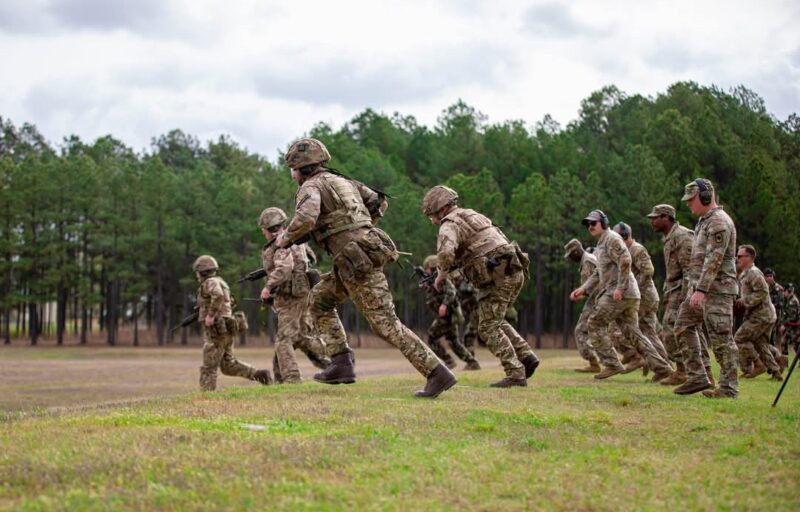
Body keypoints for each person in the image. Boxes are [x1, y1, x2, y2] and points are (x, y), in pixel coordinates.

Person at [276, 138, 456, 398]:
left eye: (292, 169)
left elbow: (306, 218)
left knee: (385, 323)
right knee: (319, 301)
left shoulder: (311, 186)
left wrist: (286, 238)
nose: (292, 175)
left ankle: (437, 373)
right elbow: (379, 202)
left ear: (301, 168)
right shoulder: (345, 181)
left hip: (355, 263)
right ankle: (340, 363)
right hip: (351, 260)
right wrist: (361, 228)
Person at [423, 185, 539, 388]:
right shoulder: (472, 215)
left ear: (440, 209)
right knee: (494, 319)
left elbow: (446, 254)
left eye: (431, 215)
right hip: (514, 268)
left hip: (497, 276)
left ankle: (515, 372)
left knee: (486, 327)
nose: (432, 221)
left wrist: (441, 275)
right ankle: (526, 356)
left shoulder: (448, 224)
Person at [570, 211, 674, 381]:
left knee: (595, 322)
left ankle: (611, 364)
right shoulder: (603, 242)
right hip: (627, 293)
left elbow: (625, 260)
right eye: (588, 224)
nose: (590, 227)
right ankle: (663, 368)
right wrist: (583, 288)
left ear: (603, 222)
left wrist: (620, 287)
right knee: (634, 334)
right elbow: (598, 273)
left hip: (619, 293)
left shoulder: (611, 238)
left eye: (593, 223)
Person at [672, 179, 740, 398]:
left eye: (692, 200)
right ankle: (698, 376)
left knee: (721, 339)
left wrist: (700, 289)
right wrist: (694, 288)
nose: (689, 205)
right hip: (700, 289)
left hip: (718, 290)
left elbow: (714, 259)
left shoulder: (719, 222)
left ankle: (728, 388)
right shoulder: (704, 221)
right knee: (682, 325)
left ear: (705, 197)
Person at [258, 207, 331, 384]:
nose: (263, 233)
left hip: (291, 298)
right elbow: (311, 259)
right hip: (301, 294)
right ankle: (330, 364)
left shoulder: (281, 244)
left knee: (284, 339)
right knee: (297, 337)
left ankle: (292, 379)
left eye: (263, 229)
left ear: (270, 228)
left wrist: (268, 286)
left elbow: (284, 267)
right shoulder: (296, 239)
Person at [647, 204, 714, 387]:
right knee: (689, 331)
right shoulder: (670, 238)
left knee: (672, 329)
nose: (652, 221)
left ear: (666, 218)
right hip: (674, 290)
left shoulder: (682, 236)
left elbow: (689, 270)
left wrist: (687, 296)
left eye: (655, 217)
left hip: (684, 291)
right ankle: (690, 371)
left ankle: (689, 371)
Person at [193, 255, 272, 391]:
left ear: (203, 271)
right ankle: (259, 375)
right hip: (226, 329)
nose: (196, 275)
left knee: (209, 367)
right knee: (228, 365)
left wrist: (210, 315)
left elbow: (217, 295)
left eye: (197, 272)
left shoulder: (209, 282)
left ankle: (206, 395)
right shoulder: (221, 281)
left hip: (216, 330)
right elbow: (230, 301)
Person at [612, 222, 670, 372]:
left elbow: (648, 270)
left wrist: (633, 288)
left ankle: (663, 367)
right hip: (642, 297)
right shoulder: (626, 250)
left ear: (623, 237)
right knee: (647, 332)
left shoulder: (636, 249)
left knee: (647, 332)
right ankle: (660, 366)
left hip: (645, 297)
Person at [420, 256, 481, 371]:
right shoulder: (434, 280)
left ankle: (449, 361)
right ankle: (472, 362)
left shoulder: (443, 279)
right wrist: (427, 287)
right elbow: (436, 295)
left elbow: (451, 291)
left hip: (448, 316)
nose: (426, 271)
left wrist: (444, 304)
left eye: (427, 268)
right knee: (454, 342)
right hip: (448, 316)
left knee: (432, 337)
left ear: (432, 267)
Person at [733, 244, 782, 381]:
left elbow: (762, 291)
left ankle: (759, 365)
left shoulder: (754, 272)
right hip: (763, 314)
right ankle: (776, 371)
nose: (737, 259)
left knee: (739, 338)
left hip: (761, 315)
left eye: (740, 256)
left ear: (749, 257)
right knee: (761, 344)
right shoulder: (745, 274)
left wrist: (745, 301)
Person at [564, 238, 601, 372]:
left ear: (576, 252)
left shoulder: (586, 262)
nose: (570, 259)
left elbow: (592, 286)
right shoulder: (590, 259)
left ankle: (594, 362)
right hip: (600, 298)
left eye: (571, 255)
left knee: (580, 330)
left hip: (596, 300)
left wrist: (579, 294)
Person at [764, 269, 786, 354]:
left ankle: (774, 358)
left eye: (770, 276)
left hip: (774, 317)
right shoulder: (763, 287)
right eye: (767, 276)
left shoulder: (778, 289)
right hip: (764, 316)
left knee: (770, 339)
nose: (769, 278)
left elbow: (780, 304)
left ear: (773, 277)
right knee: (765, 339)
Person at [780, 283, 800, 356]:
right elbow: (785, 313)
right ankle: (784, 362)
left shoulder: (793, 301)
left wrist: (784, 325)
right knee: (783, 342)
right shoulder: (789, 300)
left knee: (796, 346)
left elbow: (793, 317)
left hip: (795, 327)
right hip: (791, 326)